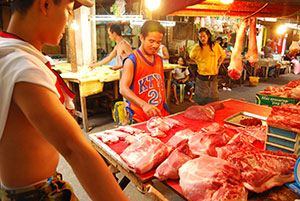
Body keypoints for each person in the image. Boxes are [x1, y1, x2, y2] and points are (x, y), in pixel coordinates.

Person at [0, 1, 130, 201]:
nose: (69, 21)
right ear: (45, 5)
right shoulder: (24, 67)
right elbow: (75, 149)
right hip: (34, 195)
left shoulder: (10, 53)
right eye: (69, 11)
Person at [120, 20, 170, 123]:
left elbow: (160, 84)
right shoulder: (132, 60)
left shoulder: (159, 59)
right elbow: (123, 89)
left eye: (158, 42)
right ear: (142, 37)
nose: (155, 45)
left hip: (159, 115)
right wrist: (144, 105)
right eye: (151, 41)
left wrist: (165, 105)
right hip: (139, 118)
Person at [190, 27, 226, 105]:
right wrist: (198, 62)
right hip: (201, 76)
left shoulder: (215, 46)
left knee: (213, 98)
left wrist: (219, 64)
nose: (202, 38)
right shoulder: (197, 47)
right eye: (200, 37)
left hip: (213, 76)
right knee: (201, 99)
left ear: (208, 36)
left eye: (204, 36)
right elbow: (191, 56)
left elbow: (223, 55)